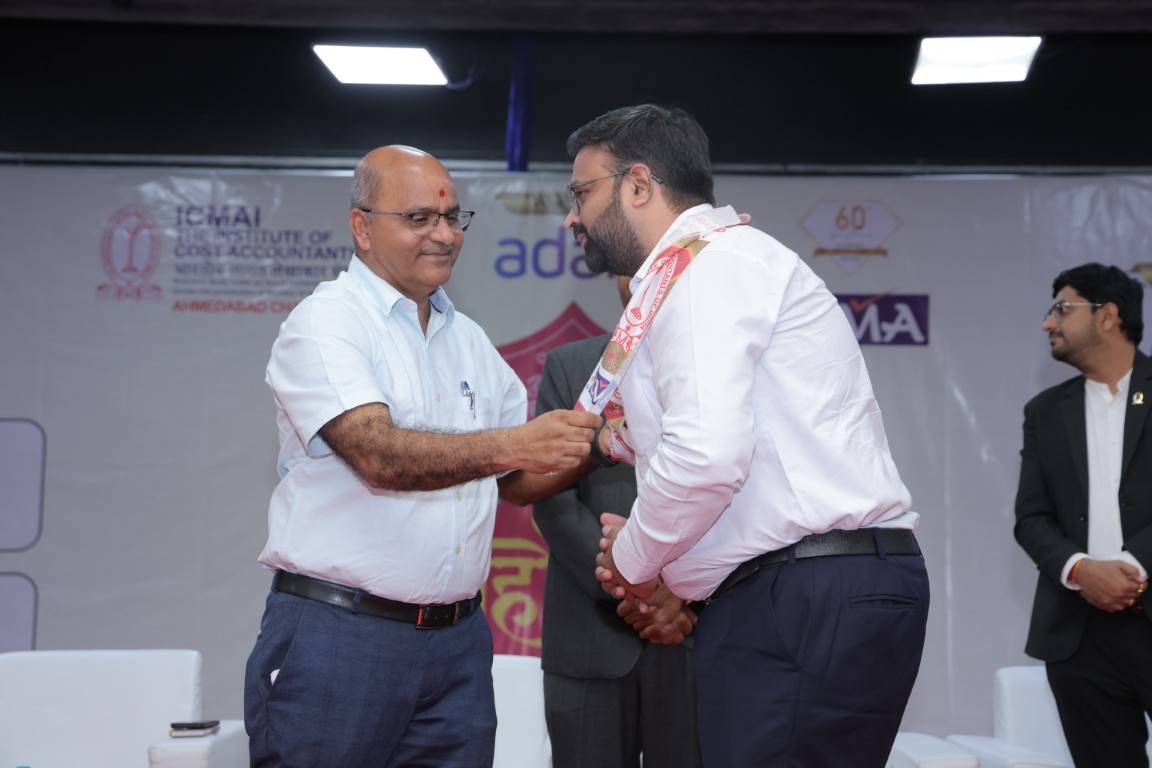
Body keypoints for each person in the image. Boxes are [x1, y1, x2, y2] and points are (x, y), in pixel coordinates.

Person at [562, 104, 929, 767]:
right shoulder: (705, 268)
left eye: (581, 192)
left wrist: (633, 561)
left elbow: (705, 459)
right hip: (810, 586)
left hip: (804, 591)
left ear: (638, 185)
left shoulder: (706, 268)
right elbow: (712, 441)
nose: (571, 217)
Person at [242, 144, 600, 768]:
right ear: (362, 226)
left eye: (452, 218)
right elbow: (377, 455)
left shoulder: (469, 340)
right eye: (419, 218)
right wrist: (514, 443)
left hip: (458, 643)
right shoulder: (326, 322)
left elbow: (512, 480)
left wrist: (600, 447)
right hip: (340, 635)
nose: (444, 234)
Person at [532, 274, 702, 768]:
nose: (648, 272)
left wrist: (683, 593)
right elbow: (550, 494)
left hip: (695, 629)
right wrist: (631, 585)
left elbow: (742, 488)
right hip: (588, 635)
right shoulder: (572, 366)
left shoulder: (721, 365)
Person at [1015, 262, 1152, 767]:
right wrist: (1082, 570)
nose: (1047, 323)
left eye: (1061, 309)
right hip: (1080, 634)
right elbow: (1031, 517)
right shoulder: (1045, 411)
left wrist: (1131, 567)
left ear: (1107, 316)